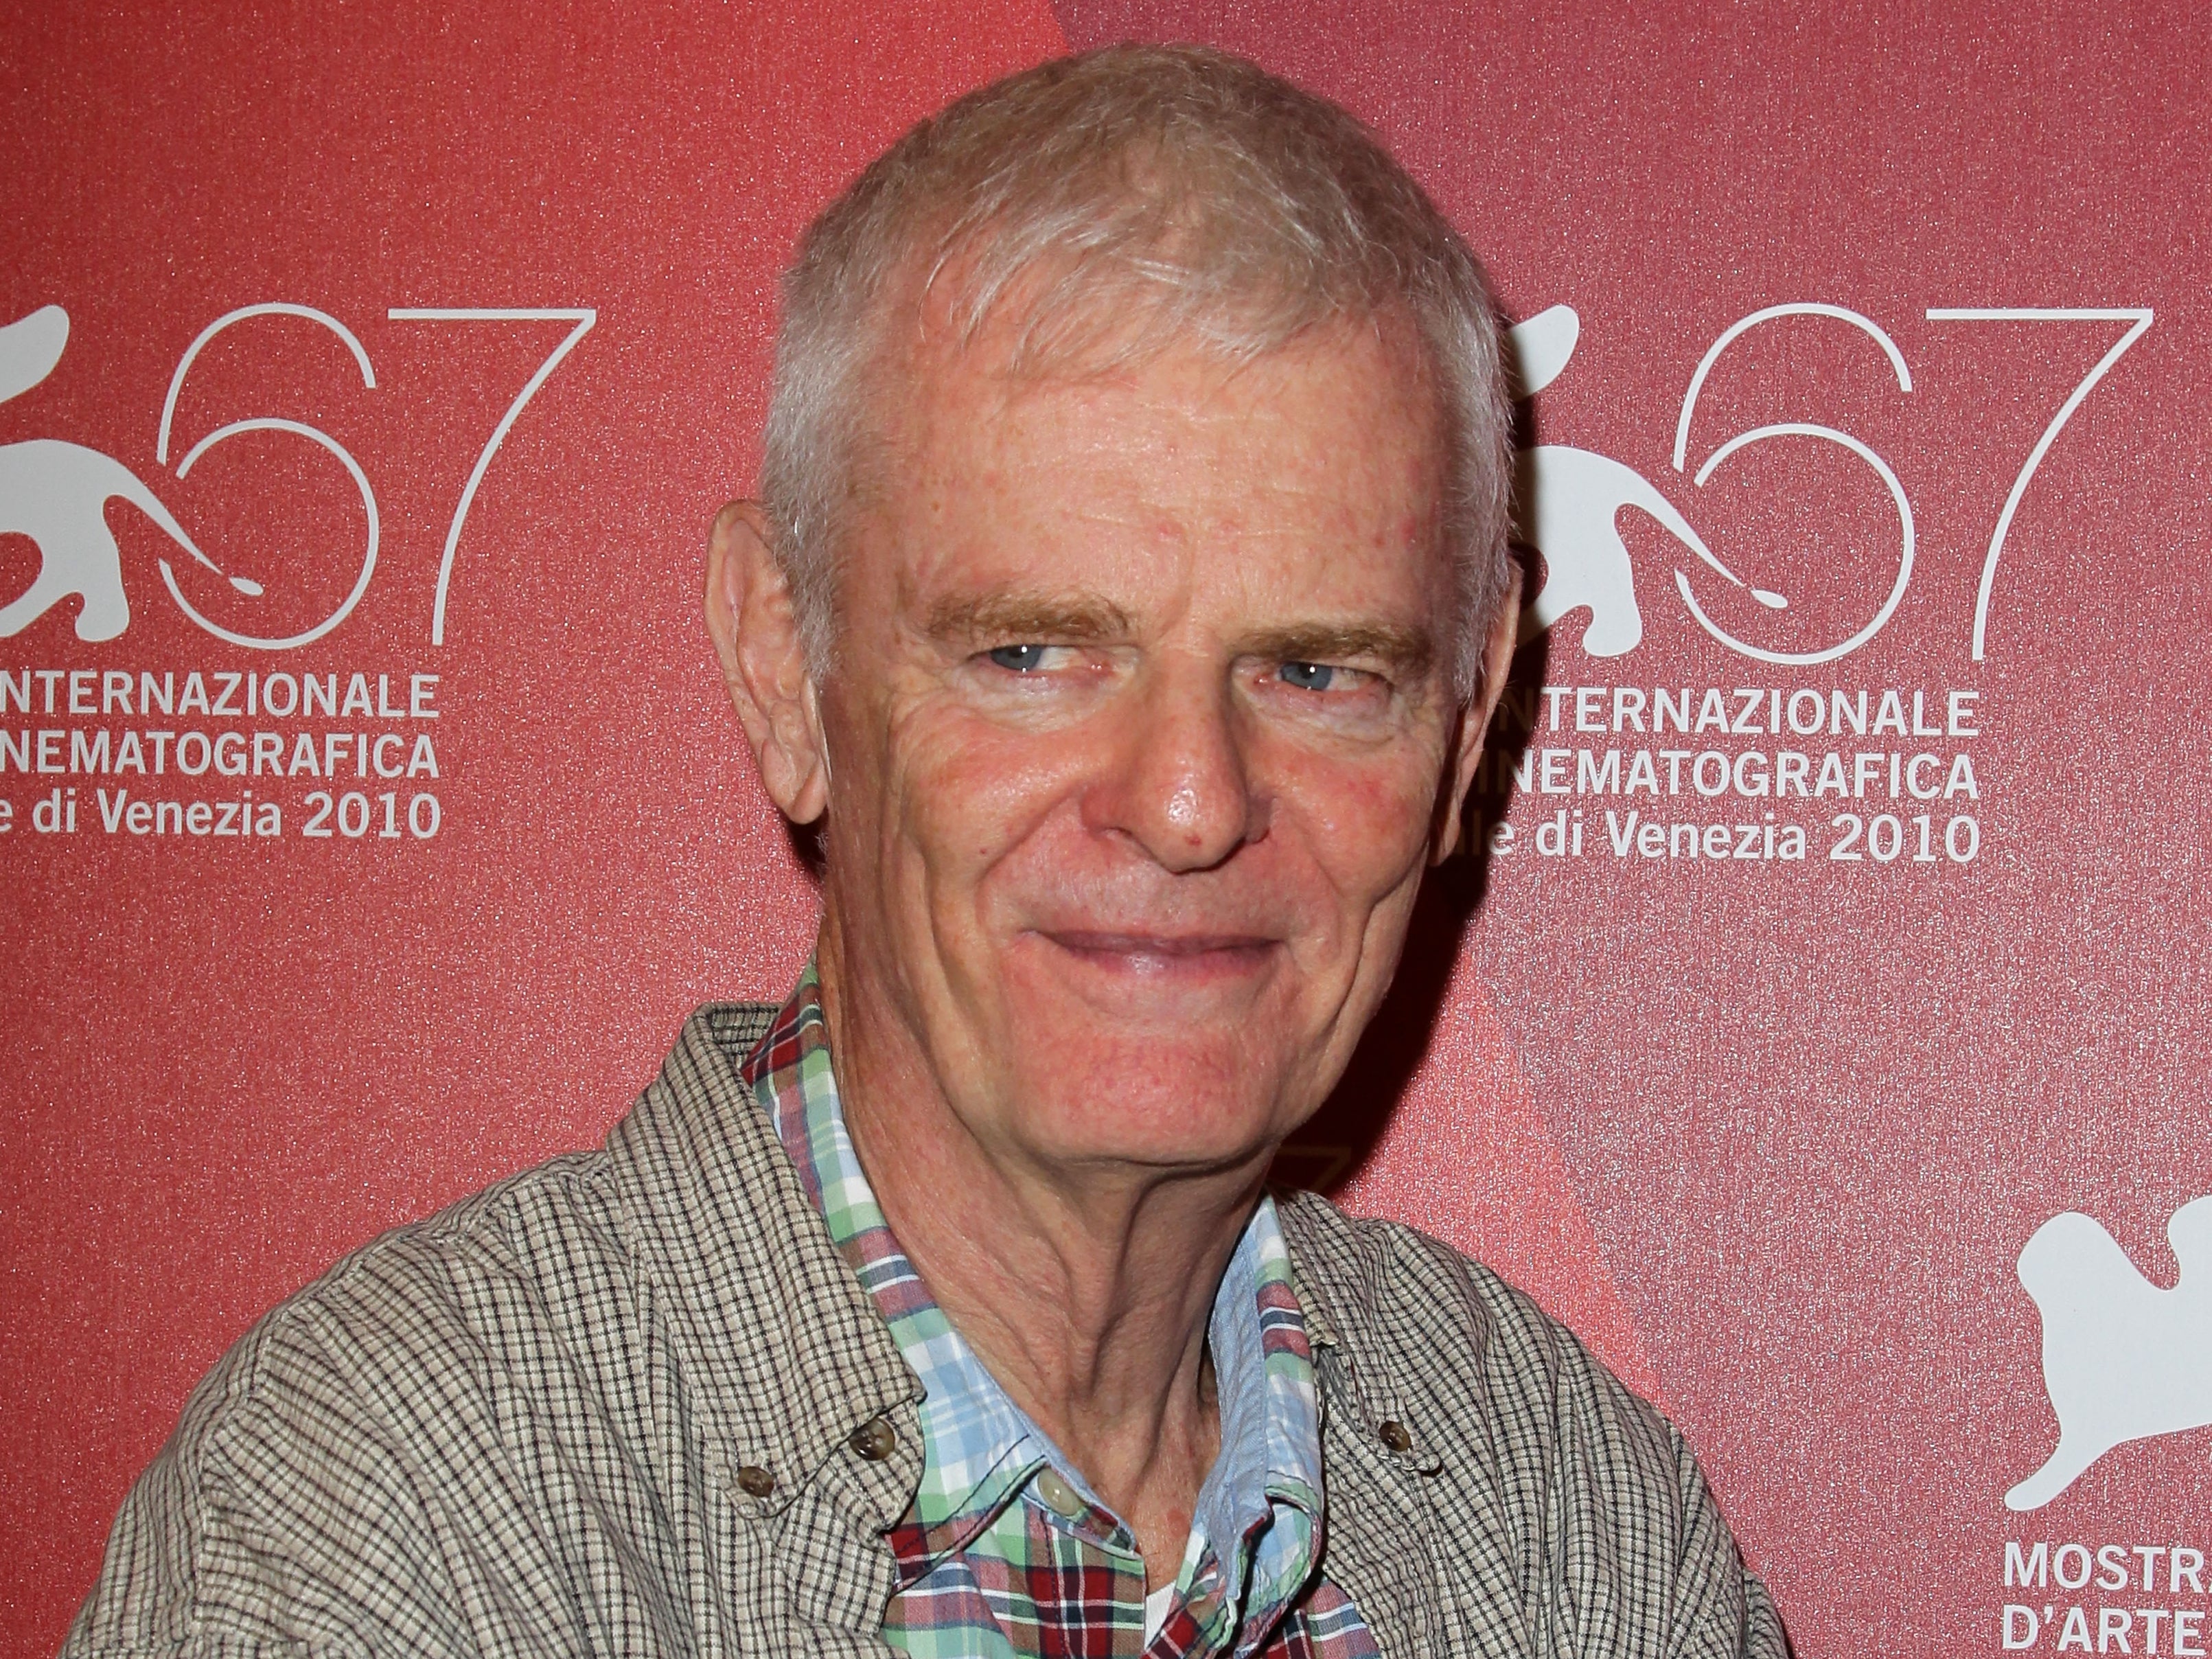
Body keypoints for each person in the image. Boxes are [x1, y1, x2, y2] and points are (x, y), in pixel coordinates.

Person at [65, 43, 1786, 1659]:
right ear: (780, 665)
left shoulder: (1574, 1521)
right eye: (1034, 652)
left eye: (1322, 669)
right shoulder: (396, 1523)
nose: (1189, 801)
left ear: (1470, 714)